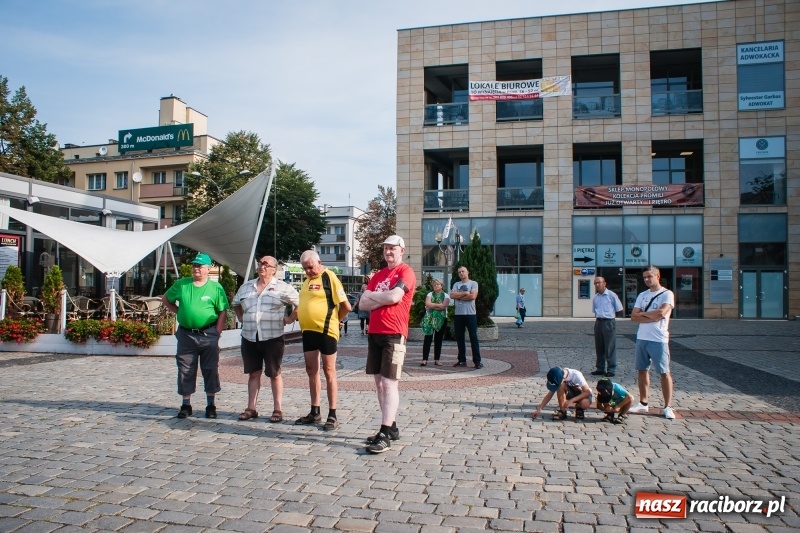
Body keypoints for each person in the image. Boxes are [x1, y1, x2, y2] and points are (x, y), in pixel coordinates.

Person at [357, 235, 416, 454]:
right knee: (379, 384)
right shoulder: (379, 275)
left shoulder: (405, 272)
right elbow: (362, 303)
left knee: (390, 383)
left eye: (392, 248)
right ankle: (391, 427)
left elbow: (395, 297)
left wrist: (374, 295)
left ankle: (384, 433)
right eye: (386, 249)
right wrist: (378, 295)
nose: (388, 252)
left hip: (394, 333)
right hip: (374, 333)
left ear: (402, 249)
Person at [161, 252, 229, 419]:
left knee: (210, 369)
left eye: (200, 266)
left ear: (207, 269)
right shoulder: (182, 285)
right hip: (186, 334)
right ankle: (186, 404)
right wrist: (180, 312)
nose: (196, 269)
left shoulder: (215, 288)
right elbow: (165, 299)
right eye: (194, 265)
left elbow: (223, 311)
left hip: (208, 333)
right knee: (185, 369)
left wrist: (217, 333)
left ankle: (211, 404)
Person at [231, 255, 299, 424]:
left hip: (272, 337)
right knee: (253, 373)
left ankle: (277, 408)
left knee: (274, 373)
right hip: (249, 336)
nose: (262, 266)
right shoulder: (247, 287)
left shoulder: (283, 287)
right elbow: (235, 303)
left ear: (274, 269)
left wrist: (290, 319)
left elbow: (301, 303)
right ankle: (251, 408)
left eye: (266, 264)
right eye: (260, 263)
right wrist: (241, 318)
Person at [296, 250, 351, 430]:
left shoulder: (329, 276)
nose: (308, 271)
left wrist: (337, 321)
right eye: (305, 268)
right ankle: (315, 411)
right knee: (311, 370)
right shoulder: (306, 282)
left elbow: (346, 306)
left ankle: (332, 414)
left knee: (329, 371)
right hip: (308, 332)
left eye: (310, 267)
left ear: (319, 262)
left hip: (326, 331)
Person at [629, 265, 676, 420]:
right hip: (642, 337)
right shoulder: (642, 295)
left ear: (657, 276)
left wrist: (642, 314)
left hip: (659, 338)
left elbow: (661, 313)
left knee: (664, 372)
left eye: (650, 276)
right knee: (642, 370)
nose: (647, 280)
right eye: (645, 277)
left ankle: (667, 406)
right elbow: (633, 317)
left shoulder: (667, 294)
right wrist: (650, 315)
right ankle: (643, 403)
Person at [450, 266, 482, 369]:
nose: (461, 273)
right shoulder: (456, 284)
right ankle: (461, 360)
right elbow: (452, 296)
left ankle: (477, 361)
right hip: (458, 315)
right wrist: (465, 293)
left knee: (473, 338)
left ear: (468, 272)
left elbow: (473, 296)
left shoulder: (473, 283)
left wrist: (458, 295)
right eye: (459, 272)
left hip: (470, 314)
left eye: (463, 271)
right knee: (460, 338)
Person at [591, 276, 623, 377]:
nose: (597, 285)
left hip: (609, 322)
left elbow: (619, 310)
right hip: (598, 322)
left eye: (599, 282)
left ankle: (611, 369)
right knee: (599, 346)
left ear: (604, 283)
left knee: (609, 347)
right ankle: (600, 368)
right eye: (595, 283)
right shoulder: (595, 297)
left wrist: (610, 318)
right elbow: (595, 311)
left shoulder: (611, 295)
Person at [421, 279, 449, 366]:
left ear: (441, 286)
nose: (436, 286)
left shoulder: (446, 295)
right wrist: (438, 305)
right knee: (427, 339)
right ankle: (424, 359)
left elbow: (443, 307)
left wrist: (433, 306)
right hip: (429, 319)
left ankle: (437, 359)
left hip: (441, 320)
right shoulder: (429, 294)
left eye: (438, 284)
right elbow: (427, 304)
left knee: (438, 339)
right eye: (434, 285)